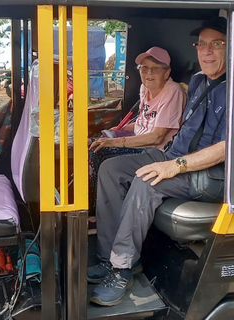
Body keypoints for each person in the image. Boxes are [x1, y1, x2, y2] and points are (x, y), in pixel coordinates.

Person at [88, 16, 227, 306]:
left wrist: (172, 167)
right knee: (111, 169)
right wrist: (169, 159)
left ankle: (122, 268)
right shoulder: (199, 81)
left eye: (217, 44)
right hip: (175, 157)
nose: (207, 52)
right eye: (202, 45)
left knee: (147, 181)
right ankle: (108, 256)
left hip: (211, 175)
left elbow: (228, 148)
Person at [88, 46, 186, 214]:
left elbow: (156, 136)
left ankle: (96, 213)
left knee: (97, 152)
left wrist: (116, 141)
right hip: (139, 141)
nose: (148, 73)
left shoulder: (173, 91)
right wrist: (117, 130)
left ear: (167, 72)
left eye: (155, 69)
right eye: (144, 68)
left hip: (155, 150)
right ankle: (94, 207)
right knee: (91, 143)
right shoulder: (144, 88)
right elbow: (142, 123)